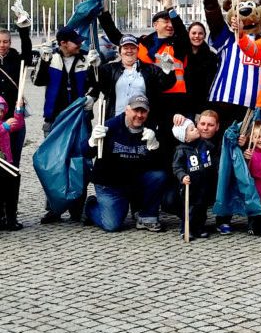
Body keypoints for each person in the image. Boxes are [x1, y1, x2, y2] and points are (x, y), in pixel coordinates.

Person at [99, 0, 190, 126]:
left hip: (174, 99)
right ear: (155, 25)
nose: (170, 25)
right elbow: (115, 35)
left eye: (172, 22)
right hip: (148, 98)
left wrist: (170, 8)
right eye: (166, 21)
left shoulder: (178, 45)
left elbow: (182, 32)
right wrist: (104, 12)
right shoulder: (141, 43)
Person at [33, 26, 91, 224]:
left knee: (78, 162)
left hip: (78, 118)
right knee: (53, 165)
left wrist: (92, 93)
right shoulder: (52, 58)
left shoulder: (85, 59)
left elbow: (97, 85)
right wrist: (43, 60)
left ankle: (77, 208)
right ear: (63, 43)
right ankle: (54, 208)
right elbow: (37, 81)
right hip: (54, 118)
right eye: (76, 41)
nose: (80, 44)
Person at [84, 95, 167, 232]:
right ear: (127, 110)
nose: (139, 115)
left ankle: (146, 217)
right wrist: (92, 141)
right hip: (110, 185)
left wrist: (155, 146)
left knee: (158, 176)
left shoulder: (151, 128)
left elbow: (161, 164)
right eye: (136, 111)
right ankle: (91, 206)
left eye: (143, 111)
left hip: (134, 180)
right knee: (112, 225)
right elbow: (86, 153)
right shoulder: (110, 126)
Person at [198, 0, 261, 130]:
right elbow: (214, 20)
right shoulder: (228, 38)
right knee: (220, 146)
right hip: (223, 99)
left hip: (252, 106)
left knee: (242, 149)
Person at [87, 34, 175, 120]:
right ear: (120, 51)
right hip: (115, 121)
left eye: (133, 48)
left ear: (138, 50)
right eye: (125, 48)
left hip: (142, 121)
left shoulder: (151, 69)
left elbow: (166, 85)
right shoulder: (109, 69)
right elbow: (95, 82)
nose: (129, 51)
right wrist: (93, 67)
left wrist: (169, 71)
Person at [172, 111, 219, 239]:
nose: (197, 130)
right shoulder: (181, 150)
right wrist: (182, 176)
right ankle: (185, 229)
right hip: (191, 186)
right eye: (192, 129)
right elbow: (177, 167)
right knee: (190, 209)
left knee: (202, 209)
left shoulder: (205, 145)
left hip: (204, 184)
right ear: (185, 137)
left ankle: (199, 228)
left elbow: (214, 159)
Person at [0, 1, 32, 172]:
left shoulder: (16, 59)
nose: (2, 45)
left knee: (13, 165)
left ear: (10, 43)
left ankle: (11, 198)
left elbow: (27, 55)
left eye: (5, 42)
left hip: (14, 117)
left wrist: (23, 30)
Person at [0, 96, 26, 230]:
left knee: (10, 189)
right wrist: (4, 126)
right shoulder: (4, 125)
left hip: (6, 163)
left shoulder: (5, 122)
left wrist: (19, 109)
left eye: (1, 110)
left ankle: (10, 219)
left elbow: (19, 124)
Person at [243, 120, 261, 232]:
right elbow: (244, 172)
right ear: (251, 138)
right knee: (257, 226)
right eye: (257, 137)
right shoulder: (249, 153)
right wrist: (246, 159)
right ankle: (253, 223)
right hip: (256, 194)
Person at [184, 22, 218, 117]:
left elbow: (211, 84)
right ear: (188, 34)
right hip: (183, 104)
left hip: (203, 106)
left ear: (204, 35)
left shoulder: (212, 57)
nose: (197, 36)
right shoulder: (181, 55)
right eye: (194, 33)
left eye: (200, 33)